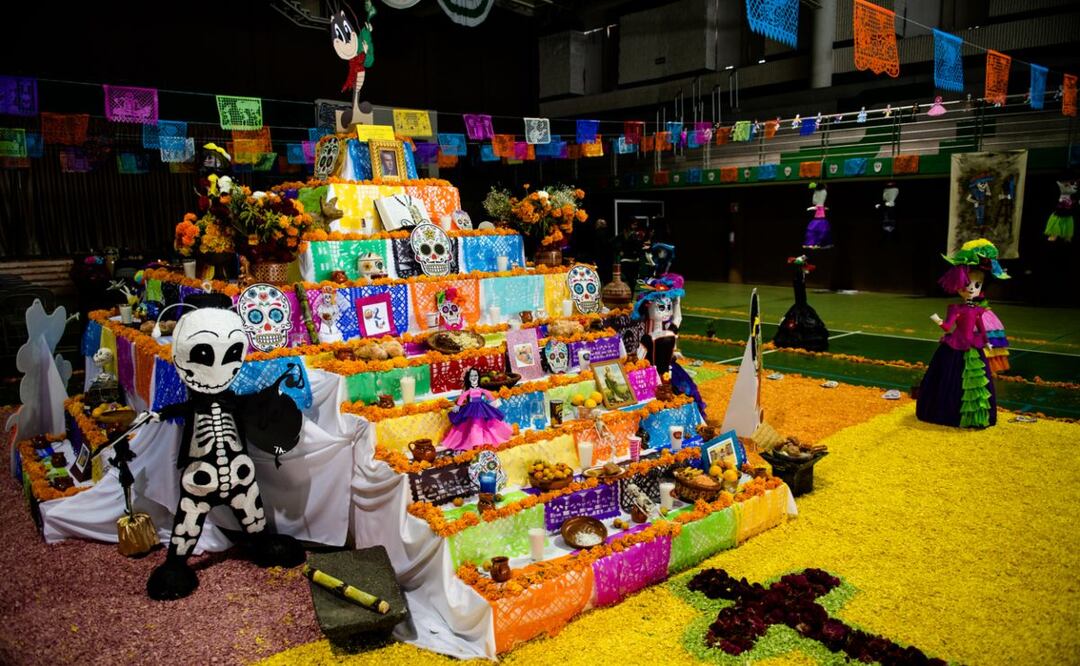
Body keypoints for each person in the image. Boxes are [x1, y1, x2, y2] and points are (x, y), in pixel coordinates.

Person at [916, 239, 1009, 428]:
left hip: (974, 346)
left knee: (977, 381)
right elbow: (947, 326)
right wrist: (939, 321)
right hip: (955, 344)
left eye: (977, 285)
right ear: (959, 286)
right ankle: (948, 412)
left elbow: (981, 328)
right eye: (968, 285)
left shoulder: (978, 310)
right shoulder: (955, 308)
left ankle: (975, 415)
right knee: (951, 378)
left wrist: (987, 341)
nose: (972, 289)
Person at [441, 367, 514, 450]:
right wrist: (458, 406)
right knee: (472, 424)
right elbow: (463, 396)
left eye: (475, 375)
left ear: (478, 377)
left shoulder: (481, 389)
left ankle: (481, 439)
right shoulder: (468, 390)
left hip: (481, 406)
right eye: (471, 376)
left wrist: (494, 402)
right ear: (468, 378)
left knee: (484, 423)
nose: (474, 378)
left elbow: (488, 394)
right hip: (471, 407)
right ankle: (475, 441)